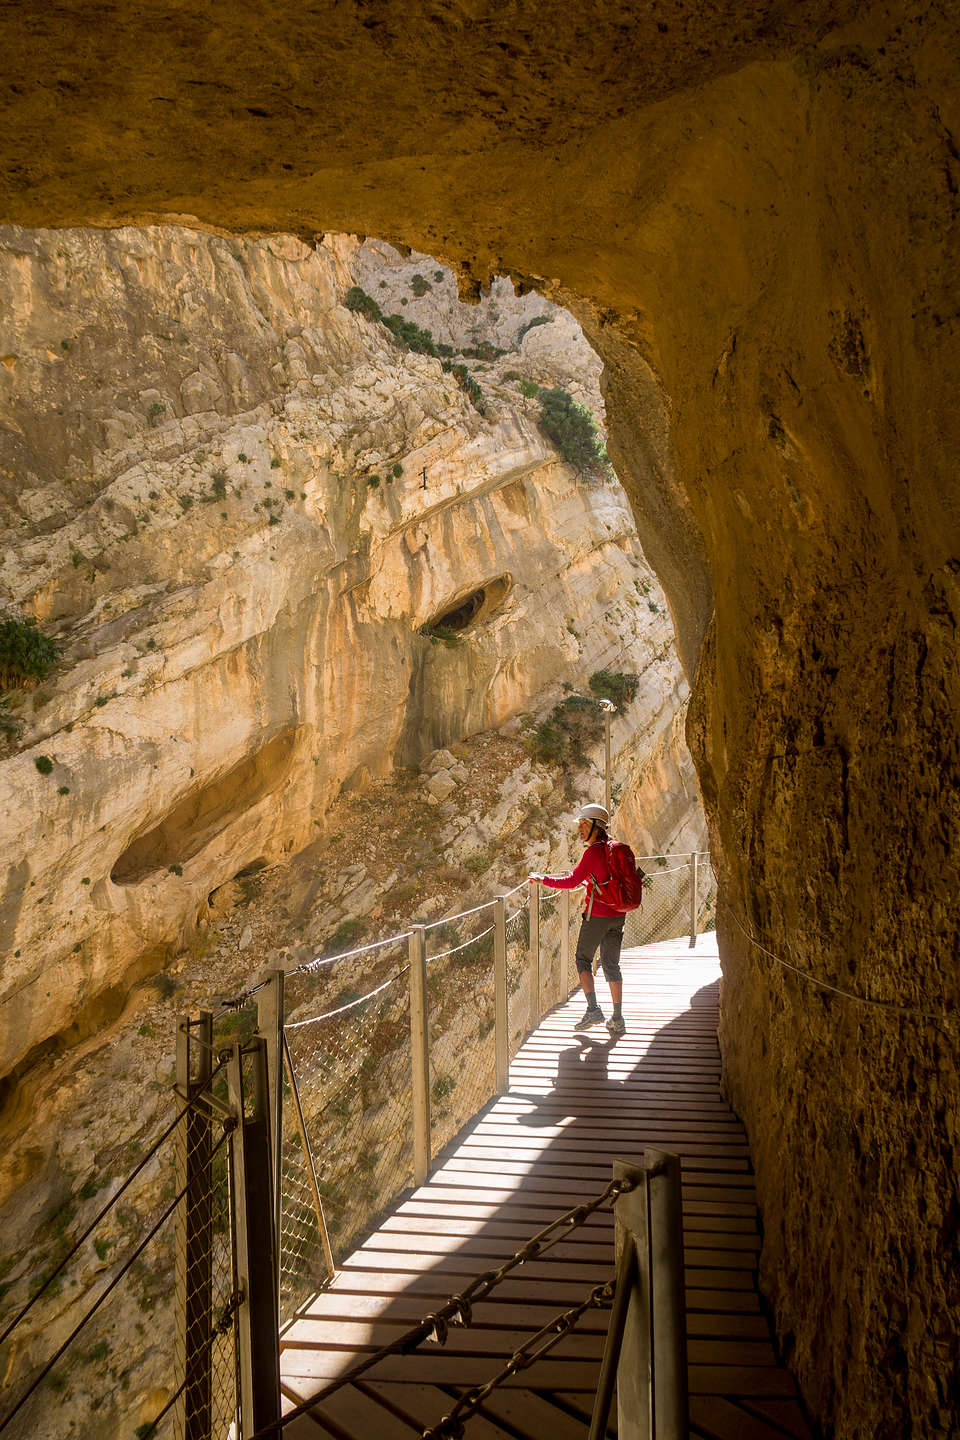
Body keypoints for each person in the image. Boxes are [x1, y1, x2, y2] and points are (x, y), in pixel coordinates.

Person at [529, 803, 626, 1035]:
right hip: (619, 914)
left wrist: (543, 879)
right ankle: (618, 1017)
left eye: (584, 824)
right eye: (580, 824)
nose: (580, 829)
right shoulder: (616, 848)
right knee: (611, 964)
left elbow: (571, 881)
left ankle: (593, 1009)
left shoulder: (593, 852)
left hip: (598, 915)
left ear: (597, 827)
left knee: (583, 960)